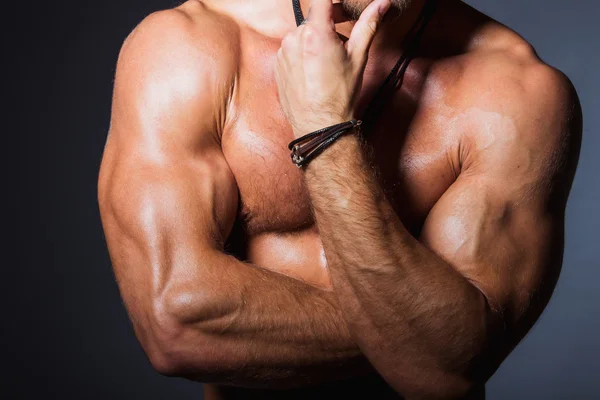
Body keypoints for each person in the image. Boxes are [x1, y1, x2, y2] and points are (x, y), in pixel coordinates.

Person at [97, 0, 582, 398]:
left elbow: (445, 377)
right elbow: (178, 322)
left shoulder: (519, 92)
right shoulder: (191, 46)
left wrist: (324, 128)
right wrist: (420, 336)